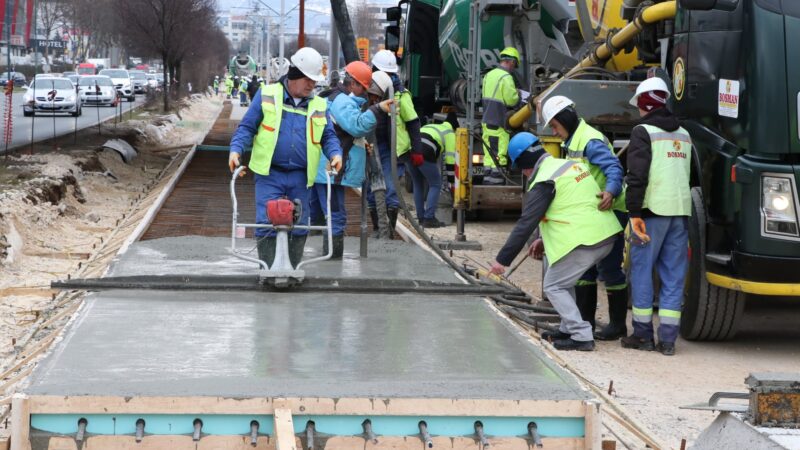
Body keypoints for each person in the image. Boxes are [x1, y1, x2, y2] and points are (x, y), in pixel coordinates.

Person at [489, 132, 622, 351]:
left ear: (526, 162)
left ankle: (580, 335)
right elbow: (571, 205)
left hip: (587, 239)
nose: (523, 173)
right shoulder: (567, 166)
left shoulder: (544, 180)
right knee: (562, 281)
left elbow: (526, 223)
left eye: (522, 167)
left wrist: (502, 260)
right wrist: (542, 239)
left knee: (553, 285)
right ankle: (568, 327)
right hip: (603, 234)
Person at [228, 47, 343, 268]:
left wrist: (335, 153)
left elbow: (328, 136)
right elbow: (247, 127)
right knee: (266, 222)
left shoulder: (319, 105)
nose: (312, 85)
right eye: (308, 79)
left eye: (314, 81)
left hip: (301, 176)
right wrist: (236, 150)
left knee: (300, 224)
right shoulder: (267, 94)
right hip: (269, 173)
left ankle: (292, 269)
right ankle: (268, 269)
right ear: (294, 74)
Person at [541, 95, 628, 340]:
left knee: (610, 267)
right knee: (584, 268)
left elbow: (614, 168)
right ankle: (584, 322)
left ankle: (617, 325)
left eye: (555, 127)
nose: (555, 133)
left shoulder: (589, 140)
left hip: (611, 208)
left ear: (564, 120)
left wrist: (610, 191)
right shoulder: (572, 140)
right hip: (591, 212)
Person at [621, 77, 692, 356]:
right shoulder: (684, 134)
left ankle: (642, 335)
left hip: (651, 214)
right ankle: (668, 340)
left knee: (641, 271)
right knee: (673, 276)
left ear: (645, 103)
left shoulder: (643, 131)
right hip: (680, 212)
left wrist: (633, 211)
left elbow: (637, 175)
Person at [308, 62, 393, 257]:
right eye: (364, 88)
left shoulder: (335, 98)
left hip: (326, 167)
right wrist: (377, 109)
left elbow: (343, 132)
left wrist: (361, 145)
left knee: (321, 210)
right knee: (335, 213)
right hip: (331, 168)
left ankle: (324, 252)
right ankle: (333, 257)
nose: (366, 94)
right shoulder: (342, 102)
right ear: (353, 84)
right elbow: (356, 126)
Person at [366, 49, 423, 237]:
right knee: (371, 189)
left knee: (390, 188)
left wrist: (417, 149)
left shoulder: (400, 95)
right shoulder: (367, 89)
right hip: (371, 145)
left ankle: (388, 231)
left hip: (392, 148)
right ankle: (377, 228)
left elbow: (413, 122)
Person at [408, 112, 459, 228]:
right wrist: (452, 182)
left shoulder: (431, 126)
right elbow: (450, 160)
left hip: (410, 151)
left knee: (417, 183)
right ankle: (429, 218)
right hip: (424, 153)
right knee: (435, 184)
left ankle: (421, 217)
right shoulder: (450, 133)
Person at [481, 47, 521, 185]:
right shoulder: (506, 77)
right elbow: (511, 100)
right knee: (499, 155)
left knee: (489, 156)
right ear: (511, 62)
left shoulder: (489, 75)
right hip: (498, 121)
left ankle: (487, 185)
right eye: (514, 65)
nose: (513, 68)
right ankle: (496, 186)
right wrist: (518, 95)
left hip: (486, 120)